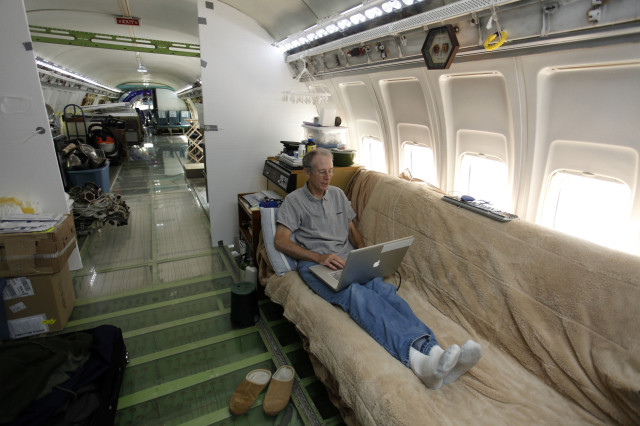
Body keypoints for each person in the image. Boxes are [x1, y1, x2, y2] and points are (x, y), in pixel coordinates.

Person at [274, 148, 482, 390]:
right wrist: (318, 257)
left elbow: (352, 229)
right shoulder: (294, 202)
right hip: (316, 265)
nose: (327, 177)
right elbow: (281, 241)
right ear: (307, 172)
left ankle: (434, 352)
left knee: (385, 293)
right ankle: (417, 362)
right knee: (357, 295)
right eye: (321, 172)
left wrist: (363, 253)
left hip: (349, 259)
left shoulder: (339, 195)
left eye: (330, 171)